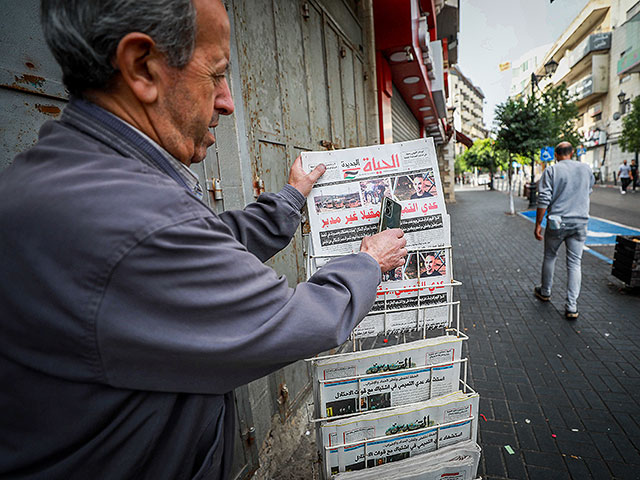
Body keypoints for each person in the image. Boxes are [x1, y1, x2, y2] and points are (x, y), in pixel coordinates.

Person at [0, 1, 408, 479]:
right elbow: (296, 319)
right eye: (216, 74)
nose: (228, 100)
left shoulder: (71, 172)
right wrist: (367, 262)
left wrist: (291, 199)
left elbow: (206, 242)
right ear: (140, 67)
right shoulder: (134, 218)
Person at [534, 142, 594, 319]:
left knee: (550, 256)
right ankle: (572, 306)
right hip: (580, 221)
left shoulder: (552, 170)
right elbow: (588, 190)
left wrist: (538, 224)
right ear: (572, 152)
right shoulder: (586, 169)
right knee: (575, 263)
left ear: (556, 154)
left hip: (557, 222)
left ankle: (545, 291)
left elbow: (544, 199)